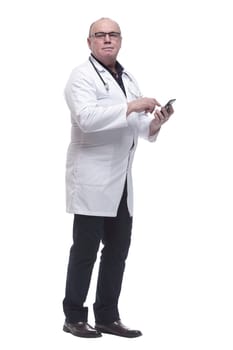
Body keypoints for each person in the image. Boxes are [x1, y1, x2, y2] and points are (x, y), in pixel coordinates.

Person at [62, 17, 174, 339]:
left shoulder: (127, 77)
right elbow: (86, 119)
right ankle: (73, 317)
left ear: (121, 40)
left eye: (113, 35)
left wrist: (155, 124)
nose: (107, 40)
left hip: (121, 182)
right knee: (84, 251)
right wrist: (131, 105)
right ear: (90, 42)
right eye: (101, 35)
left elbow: (137, 125)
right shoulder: (80, 77)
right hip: (92, 181)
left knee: (117, 250)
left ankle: (107, 316)